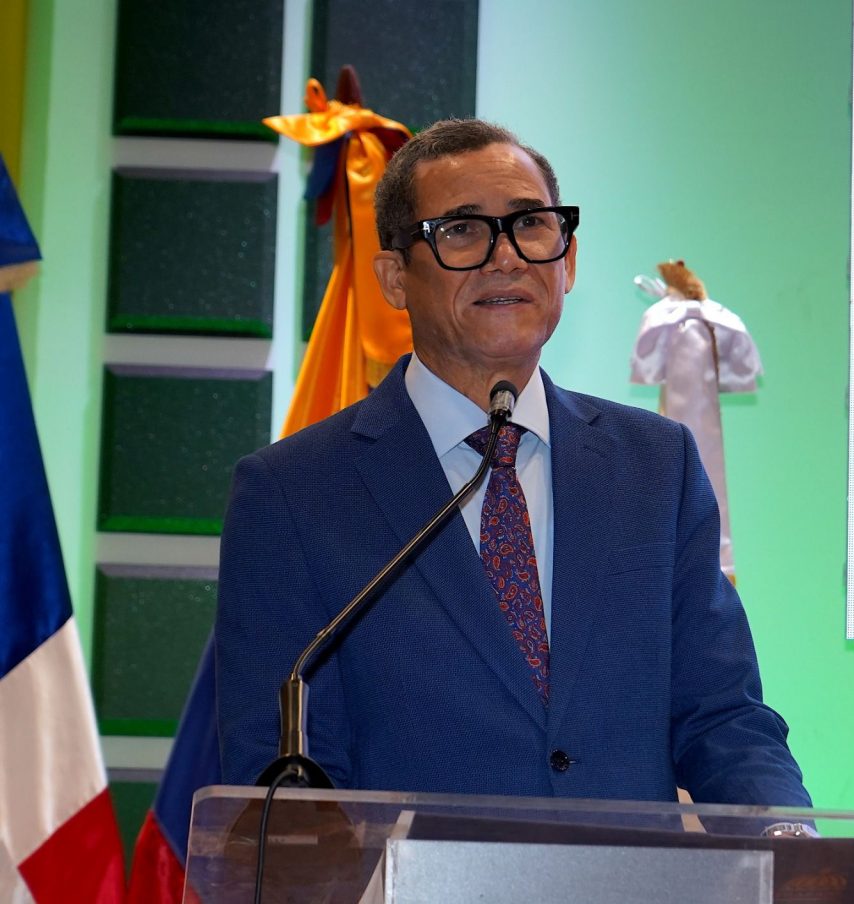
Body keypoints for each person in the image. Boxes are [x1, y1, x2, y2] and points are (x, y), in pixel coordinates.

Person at [215, 119, 811, 809]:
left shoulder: (656, 466)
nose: (506, 257)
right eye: (462, 230)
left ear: (568, 261)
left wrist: (789, 839)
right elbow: (287, 778)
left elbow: (723, 718)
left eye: (530, 224)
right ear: (395, 278)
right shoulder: (293, 493)